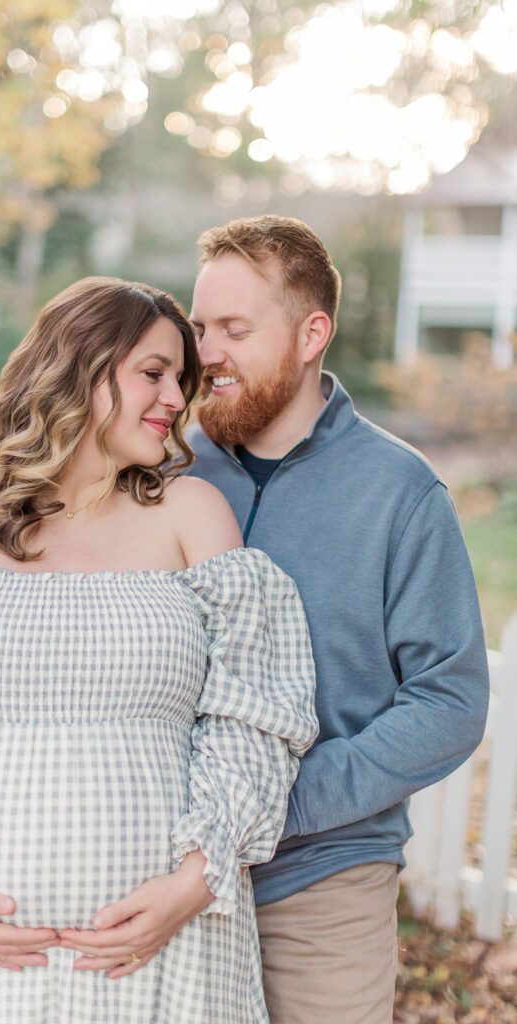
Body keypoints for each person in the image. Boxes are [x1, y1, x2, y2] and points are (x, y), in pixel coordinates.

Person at [0, 276, 318, 1024]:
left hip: (161, 953)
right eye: (153, 373)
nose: (175, 400)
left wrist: (193, 884)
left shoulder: (191, 516)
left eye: (182, 380)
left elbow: (254, 720)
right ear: (77, 368)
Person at [178, 214, 489, 1024]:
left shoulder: (399, 491)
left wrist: (286, 803)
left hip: (321, 877)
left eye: (235, 329)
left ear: (311, 334)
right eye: (200, 328)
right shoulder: (166, 470)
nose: (206, 353)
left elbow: (449, 699)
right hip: (161, 861)